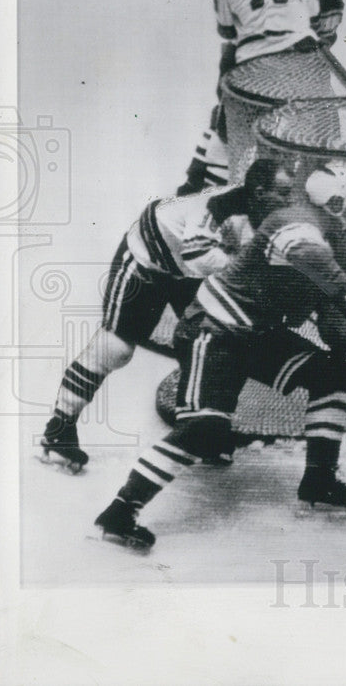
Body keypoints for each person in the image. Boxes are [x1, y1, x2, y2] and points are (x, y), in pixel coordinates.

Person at [93, 165, 346, 549]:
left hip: (254, 334)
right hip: (213, 331)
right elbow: (341, 293)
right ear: (336, 202)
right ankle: (119, 510)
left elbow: (334, 318)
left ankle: (320, 479)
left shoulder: (326, 233)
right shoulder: (298, 228)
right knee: (205, 429)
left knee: (334, 374)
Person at [40, 160, 295, 472]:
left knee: (211, 343)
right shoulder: (220, 206)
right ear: (259, 191)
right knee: (115, 347)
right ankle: (59, 427)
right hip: (147, 258)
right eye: (283, 193)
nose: (289, 201)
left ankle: (201, 432)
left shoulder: (265, 213)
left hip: (185, 268)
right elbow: (197, 255)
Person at [177, 0, 322, 196]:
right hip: (301, 61)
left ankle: (204, 183)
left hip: (253, 68)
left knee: (228, 127)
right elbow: (313, 16)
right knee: (307, 130)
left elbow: (226, 30)